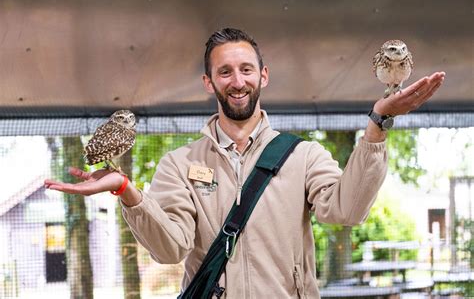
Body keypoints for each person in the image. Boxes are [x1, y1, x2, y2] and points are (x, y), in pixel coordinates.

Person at [45, 28, 445, 298]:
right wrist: (126, 190)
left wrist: (377, 125)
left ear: (263, 76)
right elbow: (170, 249)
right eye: (225, 72)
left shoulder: (302, 155)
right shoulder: (178, 164)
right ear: (209, 82)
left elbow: (347, 210)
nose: (237, 81)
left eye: (246, 69)